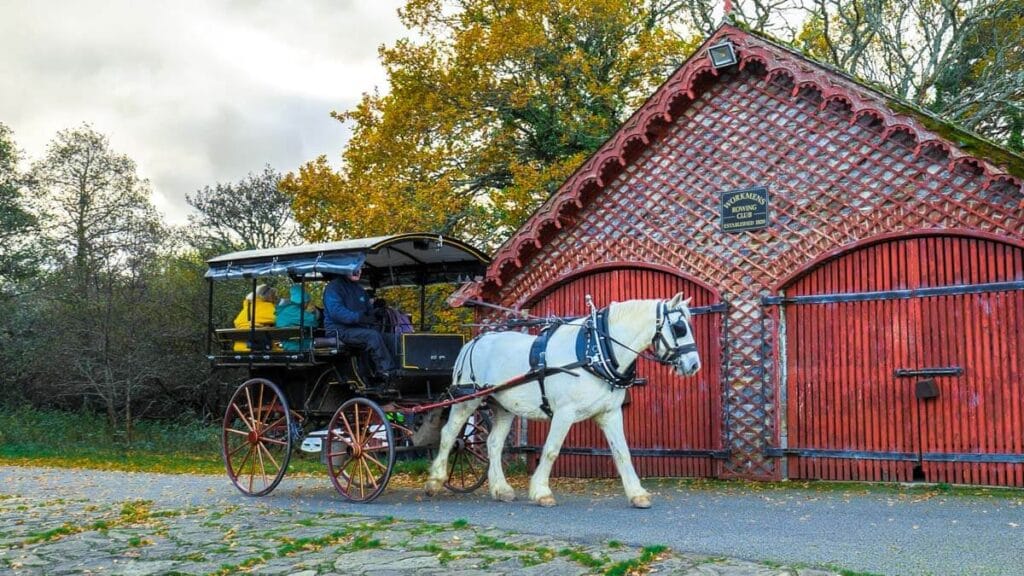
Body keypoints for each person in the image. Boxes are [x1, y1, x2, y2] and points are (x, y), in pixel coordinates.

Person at [323, 266, 396, 379]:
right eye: (355, 267)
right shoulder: (334, 287)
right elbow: (336, 312)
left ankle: (401, 368)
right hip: (339, 330)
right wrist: (358, 317)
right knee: (373, 336)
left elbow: (368, 311)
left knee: (391, 338)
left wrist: (376, 312)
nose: (358, 271)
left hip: (358, 329)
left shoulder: (360, 290)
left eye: (360, 268)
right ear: (344, 268)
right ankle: (386, 372)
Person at [275, 284, 320, 351]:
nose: (307, 306)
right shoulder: (294, 310)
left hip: (288, 345)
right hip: (298, 346)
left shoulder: (286, 309)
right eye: (307, 303)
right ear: (303, 301)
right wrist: (316, 312)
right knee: (330, 341)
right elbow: (314, 322)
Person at [233, 284, 277, 351]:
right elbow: (281, 321)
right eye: (274, 296)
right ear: (270, 296)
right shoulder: (269, 308)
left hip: (240, 348)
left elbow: (237, 322)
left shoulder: (245, 309)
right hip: (261, 349)